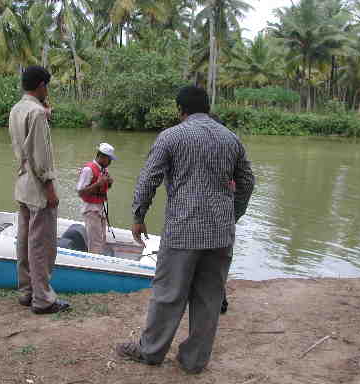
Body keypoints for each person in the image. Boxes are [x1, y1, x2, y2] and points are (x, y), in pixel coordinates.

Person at [115, 86, 255, 374]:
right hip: (220, 233)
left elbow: (148, 179)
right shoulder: (231, 138)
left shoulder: (171, 136)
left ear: (181, 110)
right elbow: (248, 182)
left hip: (183, 230)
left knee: (168, 293)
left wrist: (139, 215)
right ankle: (194, 360)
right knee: (209, 298)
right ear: (208, 107)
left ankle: (151, 351)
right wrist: (233, 214)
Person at [9, 65, 70, 315]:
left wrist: (45, 114)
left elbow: (25, 146)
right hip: (37, 187)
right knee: (41, 244)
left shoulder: (17, 109)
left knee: (24, 241)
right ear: (41, 85)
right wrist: (50, 189)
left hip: (22, 183)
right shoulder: (37, 114)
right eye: (47, 86)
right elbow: (41, 156)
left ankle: (26, 291)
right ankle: (43, 299)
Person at [76, 143, 116, 254]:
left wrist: (109, 183)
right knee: (95, 242)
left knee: (102, 238)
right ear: (102, 157)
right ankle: (93, 265)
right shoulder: (88, 170)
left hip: (101, 208)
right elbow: (80, 192)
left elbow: (102, 189)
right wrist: (98, 184)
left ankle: (98, 260)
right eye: (109, 159)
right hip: (91, 209)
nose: (110, 162)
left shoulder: (103, 170)